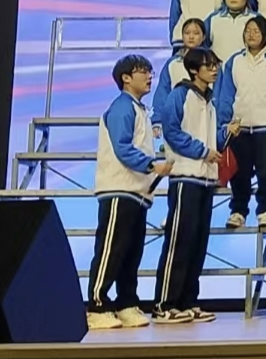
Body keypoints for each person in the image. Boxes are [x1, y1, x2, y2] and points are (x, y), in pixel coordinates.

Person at [86, 54, 171, 331]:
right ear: (125, 77)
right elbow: (122, 148)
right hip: (118, 190)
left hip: (137, 193)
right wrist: (152, 165)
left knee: (131, 252)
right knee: (110, 250)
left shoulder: (140, 110)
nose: (149, 76)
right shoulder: (122, 107)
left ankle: (126, 303)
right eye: (142, 71)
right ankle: (97, 305)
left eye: (150, 71)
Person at [153, 47, 224, 324]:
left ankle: (188, 301)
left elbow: (210, 137)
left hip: (206, 178)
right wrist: (202, 151)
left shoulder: (210, 101)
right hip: (185, 177)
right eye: (208, 65)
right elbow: (172, 131)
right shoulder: (180, 95)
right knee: (179, 241)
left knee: (197, 242)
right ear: (194, 69)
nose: (214, 70)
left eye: (215, 65)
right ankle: (164, 304)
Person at [217, 15, 266, 229]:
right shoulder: (234, 61)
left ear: (265, 34)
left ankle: (265, 211)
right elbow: (226, 94)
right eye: (248, 30)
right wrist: (225, 123)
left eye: (256, 31)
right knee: (240, 173)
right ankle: (238, 211)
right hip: (239, 127)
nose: (251, 34)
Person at [151, 17, 207, 135]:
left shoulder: (211, 63)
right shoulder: (172, 63)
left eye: (196, 33)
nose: (191, 37)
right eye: (187, 33)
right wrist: (157, 120)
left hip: (205, 118)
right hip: (176, 120)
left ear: (204, 37)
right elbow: (163, 92)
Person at [205, 0, 260, 65]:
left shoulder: (256, 18)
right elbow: (204, 44)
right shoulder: (213, 18)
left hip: (247, 67)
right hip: (218, 68)